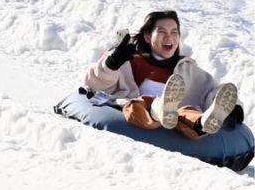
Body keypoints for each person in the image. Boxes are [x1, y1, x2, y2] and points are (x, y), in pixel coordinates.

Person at [85, 10, 243, 138]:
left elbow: (211, 90)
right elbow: (94, 85)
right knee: (138, 105)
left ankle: (201, 123)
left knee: (186, 112)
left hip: (175, 119)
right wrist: (112, 64)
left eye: (174, 32)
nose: (169, 37)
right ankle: (159, 110)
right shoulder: (129, 60)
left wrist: (232, 108)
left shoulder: (186, 69)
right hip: (140, 111)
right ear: (148, 36)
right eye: (162, 32)